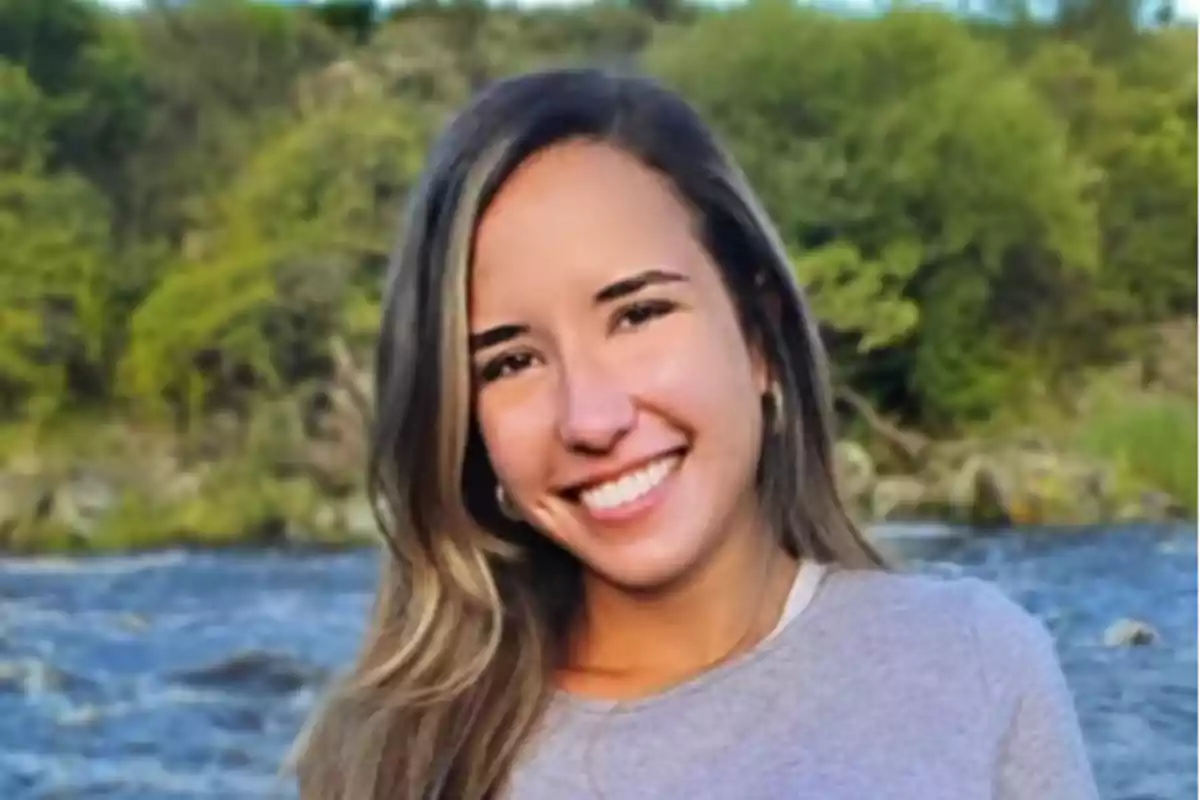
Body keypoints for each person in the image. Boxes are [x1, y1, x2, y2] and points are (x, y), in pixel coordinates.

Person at [290, 67, 1099, 800]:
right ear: (466, 428)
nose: (591, 418)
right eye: (510, 363)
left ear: (759, 338)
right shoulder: (384, 761)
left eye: (638, 314)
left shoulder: (974, 664)